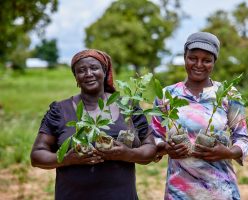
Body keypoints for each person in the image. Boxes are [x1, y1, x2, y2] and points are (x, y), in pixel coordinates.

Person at [30, 49, 156, 200]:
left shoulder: (127, 107)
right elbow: (37, 156)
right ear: (76, 77)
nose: (88, 73)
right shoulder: (60, 110)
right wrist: (67, 159)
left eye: (94, 68)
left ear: (104, 71)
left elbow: (150, 149)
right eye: (81, 70)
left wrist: (126, 154)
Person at [151, 32, 248, 200]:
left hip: (220, 191)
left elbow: (243, 140)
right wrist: (166, 148)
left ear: (214, 62)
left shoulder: (228, 94)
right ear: (184, 57)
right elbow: (154, 137)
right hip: (179, 191)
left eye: (206, 60)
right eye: (193, 58)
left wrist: (226, 152)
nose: (199, 64)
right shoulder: (167, 95)